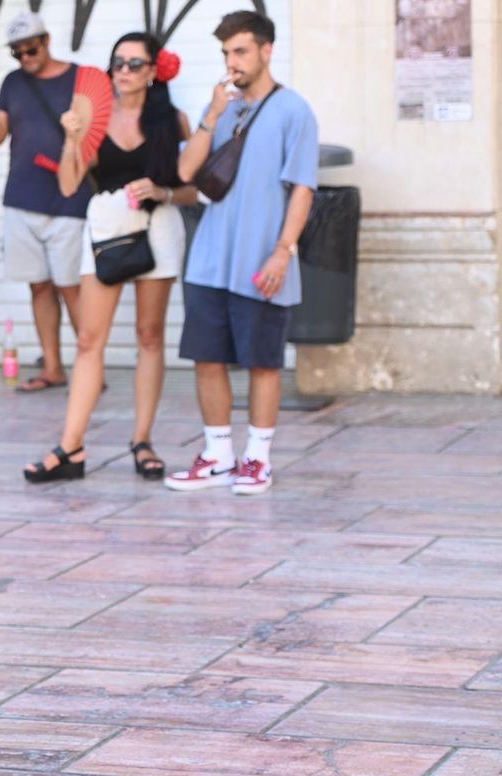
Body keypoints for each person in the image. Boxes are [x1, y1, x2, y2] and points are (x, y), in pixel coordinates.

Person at [23, 33, 195, 483]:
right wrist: (71, 138)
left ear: (155, 71)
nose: (123, 70)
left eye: (135, 63)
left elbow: (196, 188)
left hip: (157, 229)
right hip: (105, 230)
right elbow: (67, 183)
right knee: (88, 340)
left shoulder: (172, 121)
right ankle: (70, 447)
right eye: (117, 61)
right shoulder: (93, 114)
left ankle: (142, 441)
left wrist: (163, 190)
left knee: (150, 335)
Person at [168, 11, 317, 495]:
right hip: (210, 257)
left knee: (262, 362)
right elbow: (188, 173)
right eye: (226, 53)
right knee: (206, 358)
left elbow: (302, 190)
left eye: (241, 51)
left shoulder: (294, 110)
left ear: (266, 50)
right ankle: (217, 455)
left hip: (262, 261)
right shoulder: (224, 110)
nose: (232, 62)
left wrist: (282, 252)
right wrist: (211, 114)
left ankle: (257, 458)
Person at [0, 12, 90, 393]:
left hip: (70, 198)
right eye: (17, 52)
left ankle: (91, 370)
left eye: (31, 48)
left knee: (72, 287)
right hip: (21, 199)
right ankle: (54, 368)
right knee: (39, 286)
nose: (25, 56)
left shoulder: (79, 79)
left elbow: (97, 136)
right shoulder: (13, 82)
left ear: (47, 39)